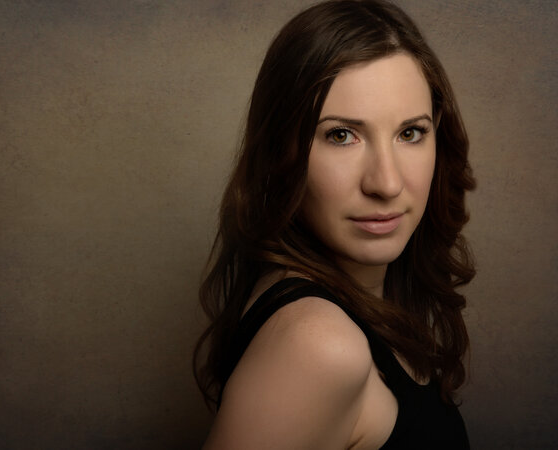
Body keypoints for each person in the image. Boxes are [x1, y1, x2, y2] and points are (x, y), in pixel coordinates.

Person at [194, 0, 476, 448]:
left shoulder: (353, 303)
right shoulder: (319, 345)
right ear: (280, 152)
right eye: (341, 135)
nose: (386, 183)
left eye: (410, 133)